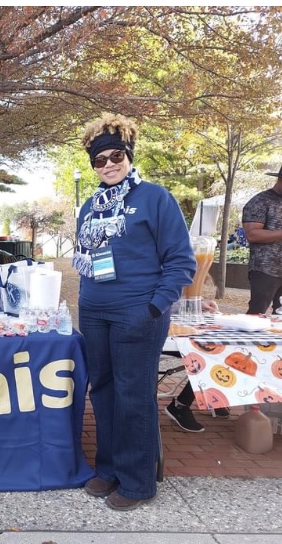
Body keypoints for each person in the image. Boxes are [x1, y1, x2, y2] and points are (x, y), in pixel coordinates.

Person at [72, 113, 196, 511]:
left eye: (115, 156)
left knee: (134, 395)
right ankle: (108, 469)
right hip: (95, 311)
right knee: (104, 391)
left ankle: (138, 481)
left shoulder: (155, 198)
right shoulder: (89, 206)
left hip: (137, 312)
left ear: (129, 154)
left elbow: (180, 260)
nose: (108, 164)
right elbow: (86, 257)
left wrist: (155, 306)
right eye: (99, 159)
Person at [164, 299, 230, 432]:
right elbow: (163, 304)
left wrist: (200, 303)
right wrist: (195, 304)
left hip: (182, 328)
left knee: (219, 350)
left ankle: (211, 398)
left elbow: (178, 301)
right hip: (162, 333)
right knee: (208, 354)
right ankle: (181, 405)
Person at [242, 166, 282, 315]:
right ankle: (247, 339)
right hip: (265, 269)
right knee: (257, 313)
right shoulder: (260, 201)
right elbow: (252, 234)